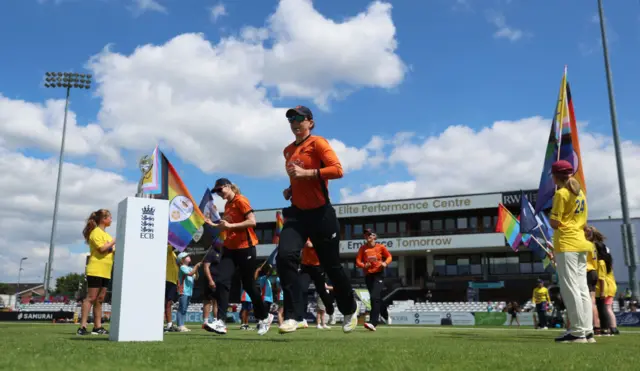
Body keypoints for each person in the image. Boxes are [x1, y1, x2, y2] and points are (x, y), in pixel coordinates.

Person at [276, 105, 359, 334]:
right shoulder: (287, 150)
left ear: (310, 122)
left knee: (332, 267)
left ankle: (350, 309)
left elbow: (337, 170)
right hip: (297, 213)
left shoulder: (319, 143)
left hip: (321, 214)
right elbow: (298, 178)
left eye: (300, 118)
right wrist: (290, 189)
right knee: (285, 257)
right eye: (291, 119)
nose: (295, 122)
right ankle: (294, 316)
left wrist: (307, 174)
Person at [203, 178, 273, 336]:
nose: (219, 194)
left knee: (249, 286)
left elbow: (252, 222)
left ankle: (264, 316)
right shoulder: (227, 205)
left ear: (228, 187)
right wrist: (215, 225)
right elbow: (227, 227)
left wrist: (230, 226)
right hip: (230, 248)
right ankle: (220, 321)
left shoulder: (241, 200)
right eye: (216, 192)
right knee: (221, 280)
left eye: (220, 190)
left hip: (246, 248)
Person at [548, 160, 594, 343]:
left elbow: (554, 223)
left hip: (567, 243)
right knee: (582, 288)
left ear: (554, 176)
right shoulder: (580, 192)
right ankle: (587, 330)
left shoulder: (561, 193)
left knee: (570, 288)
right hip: (581, 242)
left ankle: (577, 331)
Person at [77, 209, 115, 335]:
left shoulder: (107, 235)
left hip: (106, 270)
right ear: (103, 219)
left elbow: (110, 250)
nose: (111, 220)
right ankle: (82, 326)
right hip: (96, 269)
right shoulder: (95, 233)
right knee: (91, 297)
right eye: (109, 217)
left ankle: (97, 326)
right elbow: (102, 248)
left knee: (100, 299)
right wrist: (115, 240)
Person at [355, 229, 392, 332]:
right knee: (376, 298)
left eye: (370, 235)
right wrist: (363, 265)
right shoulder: (363, 248)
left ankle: (373, 322)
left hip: (379, 275)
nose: (368, 236)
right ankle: (384, 312)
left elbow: (389, 256)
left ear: (375, 237)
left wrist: (385, 263)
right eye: (366, 235)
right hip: (368, 276)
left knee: (374, 297)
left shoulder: (381, 247)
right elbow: (358, 261)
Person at [299, 239, 335, 326]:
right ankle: (302, 317)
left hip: (317, 267)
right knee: (302, 289)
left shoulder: (320, 233)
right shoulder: (303, 232)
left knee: (321, 290)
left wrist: (314, 244)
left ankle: (329, 306)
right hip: (305, 266)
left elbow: (327, 246)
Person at [592, 229, 619, 336]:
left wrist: (602, 290)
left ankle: (609, 328)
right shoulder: (608, 262)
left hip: (605, 286)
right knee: (608, 308)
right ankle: (613, 328)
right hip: (611, 285)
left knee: (606, 308)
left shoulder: (601, 263)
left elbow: (602, 278)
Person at [176, 252, 201, 332]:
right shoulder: (182, 267)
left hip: (189, 291)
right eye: (186, 256)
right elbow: (190, 274)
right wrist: (196, 266)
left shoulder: (190, 268)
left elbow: (196, 277)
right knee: (181, 308)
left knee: (185, 309)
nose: (189, 257)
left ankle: (182, 325)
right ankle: (180, 325)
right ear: (182, 260)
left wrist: (196, 269)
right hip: (183, 290)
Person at [584, 226, 601, 335]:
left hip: (587, 271)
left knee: (588, 301)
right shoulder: (593, 245)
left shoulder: (585, 244)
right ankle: (597, 327)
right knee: (593, 302)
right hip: (593, 271)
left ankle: (592, 326)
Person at [201, 245, 222, 329]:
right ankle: (205, 322)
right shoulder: (211, 253)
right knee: (208, 300)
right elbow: (206, 267)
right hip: (211, 280)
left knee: (216, 301)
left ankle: (215, 321)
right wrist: (210, 280)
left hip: (219, 280)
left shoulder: (223, 253)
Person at [164, 244, 179, 332]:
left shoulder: (173, 253)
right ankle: (168, 324)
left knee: (169, 302)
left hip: (173, 280)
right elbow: (174, 245)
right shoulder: (166, 248)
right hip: (167, 279)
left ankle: (169, 324)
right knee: (167, 302)